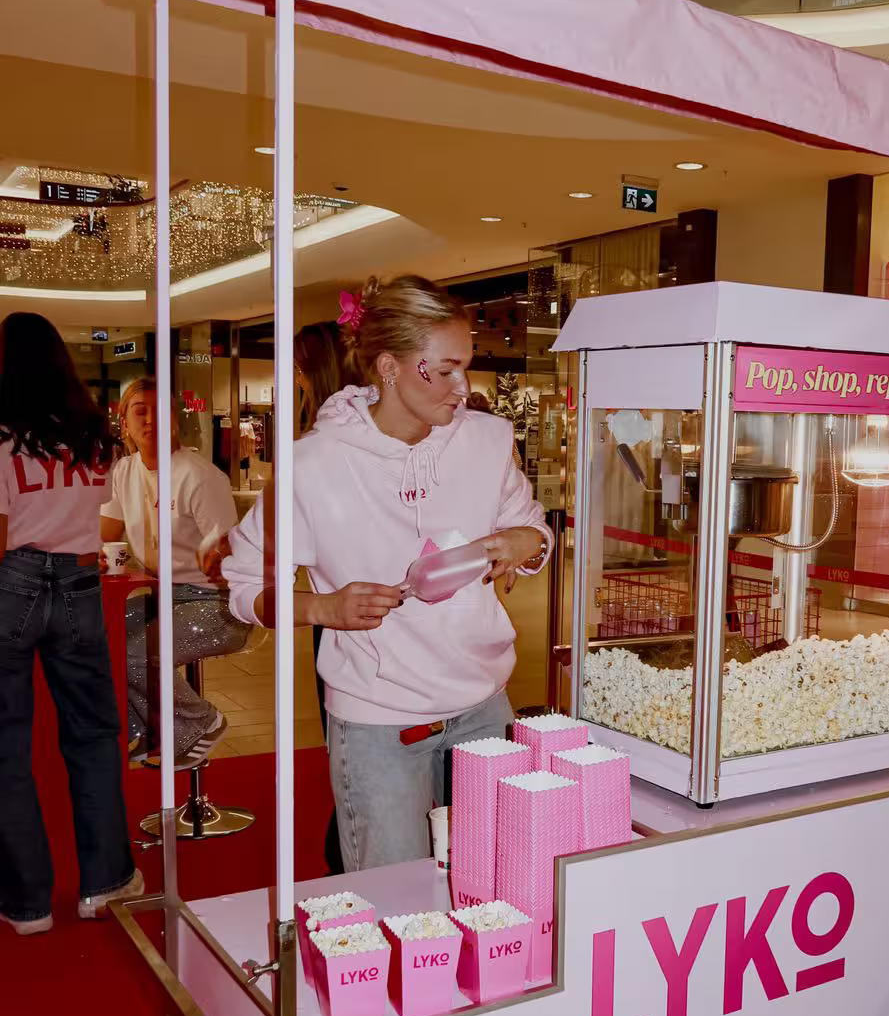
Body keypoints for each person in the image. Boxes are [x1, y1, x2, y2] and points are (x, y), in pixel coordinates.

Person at [224, 276, 551, 870]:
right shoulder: (312, 466)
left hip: (485, 706)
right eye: (445, 370)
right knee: (393, 895)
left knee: (499, 882)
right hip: (378, 721)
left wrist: (527, 542)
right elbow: (245, 584)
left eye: (466, 366)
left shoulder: (486, 440)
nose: (463, 387)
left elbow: (530, 526)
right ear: (388, 367)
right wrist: (323, 608)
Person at [0, 312, 142, 933]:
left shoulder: (3, 437)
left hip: (13, 582)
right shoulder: (91, 437)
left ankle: (26, 903)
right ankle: (105, 882)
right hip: (80, 581)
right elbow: (93, 514)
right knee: (92, 734)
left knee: (7, 744)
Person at [101, 379, 248, 767]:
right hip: (164, 597)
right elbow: (103, 535)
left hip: (218, 603)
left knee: (136, 653)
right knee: (100, 639)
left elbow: (231, 557)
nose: (151, 420)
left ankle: (201, 723)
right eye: (140, 411)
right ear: (124, 422)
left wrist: (219, 557)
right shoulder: (123, 471)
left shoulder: (199, 476)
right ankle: (145, 731)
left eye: (160, 410)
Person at [293, 321, 348, 875]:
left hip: (336, 610)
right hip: (337, 606)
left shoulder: (317, 449)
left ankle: (344, 846)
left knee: (343, 729)